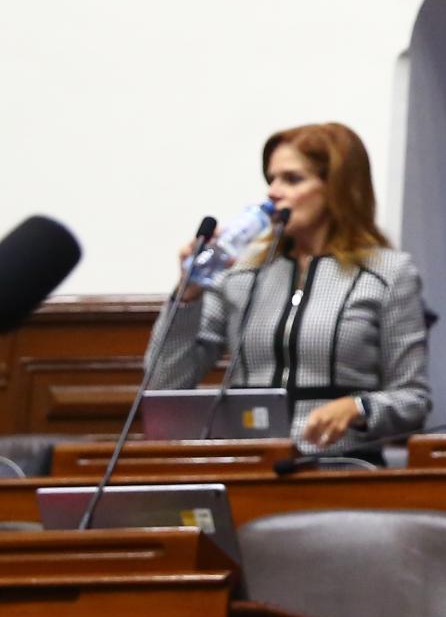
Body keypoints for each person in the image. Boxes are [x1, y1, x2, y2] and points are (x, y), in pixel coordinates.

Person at [148, 122, 429, 449]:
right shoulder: (241, 273)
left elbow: (414, 400)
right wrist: (188, 295)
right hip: (248, 461)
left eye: (292, 179)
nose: (273, 192)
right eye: (271, 179)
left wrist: (359, 407)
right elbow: (165, 383)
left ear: (337, 188)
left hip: (338, 465)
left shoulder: (388, 274)